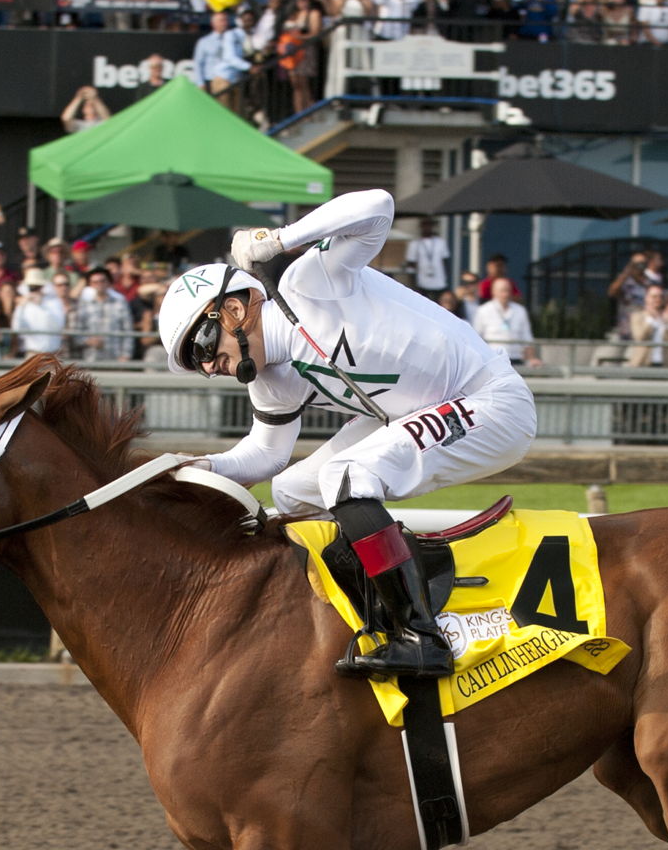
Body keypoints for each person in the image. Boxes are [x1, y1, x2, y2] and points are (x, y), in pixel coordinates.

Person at [157, 189, 537, 679]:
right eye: (196, 363)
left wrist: (281, 240)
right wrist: (202, 468)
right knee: (292, 489)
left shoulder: (308, 281)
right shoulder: (271, 383)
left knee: (347, 475)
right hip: (418, 413)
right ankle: (348, 615)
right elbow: (265, 456)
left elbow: (378, 205)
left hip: (491, 401)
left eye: (203, 343)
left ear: (234, 308)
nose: (210, 364)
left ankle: (419, 636)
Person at [474, 277, 543, 367]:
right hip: (493, 360)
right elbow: (476, 338)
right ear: (493, 292)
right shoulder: (483, 310)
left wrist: (532, 358)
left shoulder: (520, 310)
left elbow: (527, 338)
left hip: (516, 359)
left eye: (508, 290)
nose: (506, 294)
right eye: (502, 291)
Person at [195, 12, 253, 114]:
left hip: (234, 79)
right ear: (213, 23)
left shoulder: (235, 38)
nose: (224, 23)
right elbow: (198, 64)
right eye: (221, 20)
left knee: (237, 113)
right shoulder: (204, 42)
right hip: (214, 81)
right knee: (221, 111)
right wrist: (200, 83)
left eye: (226, 20)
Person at [72, 266, 133, 363]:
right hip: (91, 360)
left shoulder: (120, 302)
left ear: (108, 282)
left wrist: (126, 355)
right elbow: (77, 335)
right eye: (95, 282)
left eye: (102, 281)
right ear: (90, 284)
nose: (99, 284)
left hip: (116, 359)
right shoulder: (83, 304)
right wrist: (89, 341)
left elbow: (128, 331)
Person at [626, 285, 668, 368]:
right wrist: (651, 319)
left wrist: (667, 323)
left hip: (667, 365)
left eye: (661, 296)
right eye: (654, 296)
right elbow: (639, 337)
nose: (658, 299)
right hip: (642, 364)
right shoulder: (638, 317)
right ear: (646, 298)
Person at [404, 218, 450, 299]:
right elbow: (411, 264)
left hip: (439, 281)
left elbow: (445, 262)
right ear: (421, 227)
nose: (427, 228)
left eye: (429, 225)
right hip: (422, 282)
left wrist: (447, 278)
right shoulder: (415, 244)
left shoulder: (441, 242)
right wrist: (413, 285)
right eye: (425, 225)